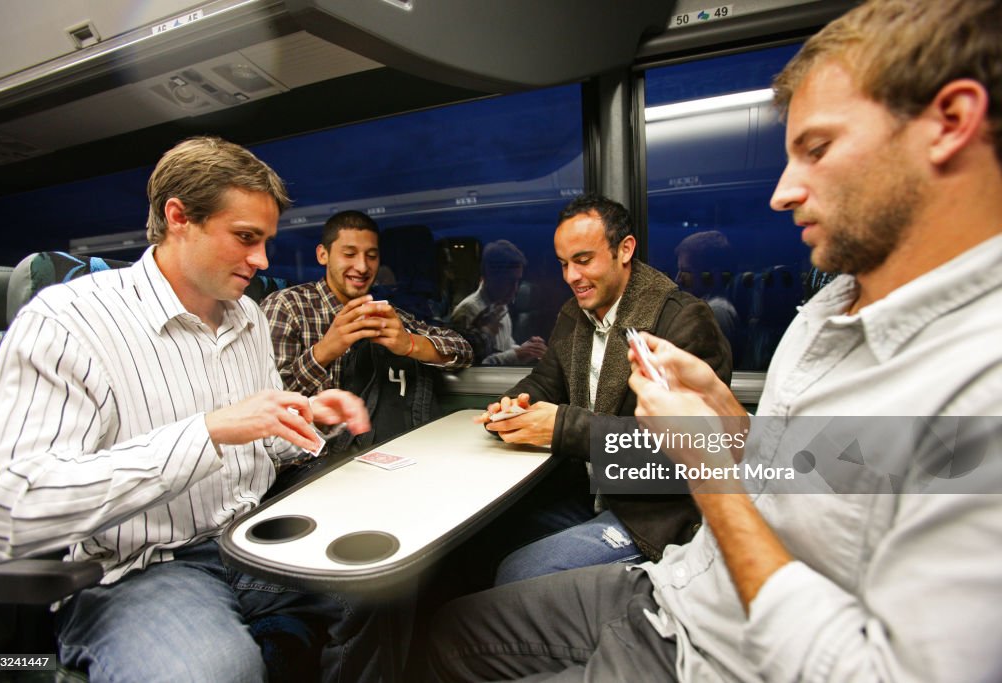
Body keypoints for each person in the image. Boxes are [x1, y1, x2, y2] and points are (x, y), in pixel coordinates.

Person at [429, 0, 1002, 680]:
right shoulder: (828, 313)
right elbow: (799, 471)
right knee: (441, 627)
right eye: (561, 263)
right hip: (679, 592)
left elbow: (675, 470)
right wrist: (729, 421)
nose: (783, 192)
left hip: (700, 616)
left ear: (951, 122)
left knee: (514, 565)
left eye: (817, 149)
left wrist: (690, 451)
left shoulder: (978, 377)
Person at [0, 136, 382, 682]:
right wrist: (205, 435)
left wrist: (310, 417)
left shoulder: (248, 318)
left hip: (251, 539)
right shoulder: (68, 319)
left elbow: (261, 443)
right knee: (213, 672)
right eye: (245, 238)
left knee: (393, 593)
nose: (261, 261)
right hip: (140, 569)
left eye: (265, 241)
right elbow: (2, 508)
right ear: (178, 217)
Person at [478, 194, 732, 584]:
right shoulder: (574, 316)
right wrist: (513, 404)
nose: (570, 277)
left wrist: (563, 427)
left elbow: (684, 453)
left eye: (583, 260)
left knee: (521, 571)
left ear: (624, 250)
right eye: (564, 264)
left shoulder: (682, 320)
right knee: (481, 539)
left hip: (657, 515)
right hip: (591, 496)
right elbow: (545, 381)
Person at [260, 210, 472, 434]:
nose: (362, 267)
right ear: (323, 255)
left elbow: (463, 351)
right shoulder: (288, 306)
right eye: (349, 254)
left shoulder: (381, 312)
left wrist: (409, 344)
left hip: (371, 446)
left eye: (371, 256)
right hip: (307, 458)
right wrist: (323, 352)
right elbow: (265, 403)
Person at [450, 239, 547, 365]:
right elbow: (472, 367)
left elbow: (504, 348)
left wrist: (528, 349)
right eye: (509, 281)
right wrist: (517, 354)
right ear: (490, 276)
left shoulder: (500, 306)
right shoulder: (467, 311)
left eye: (517, 281)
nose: (515, 289)